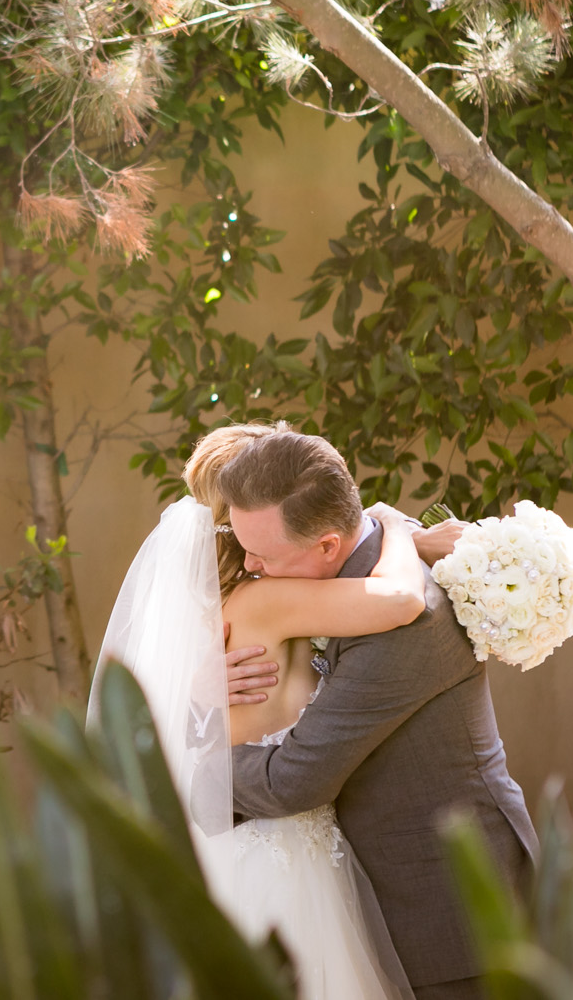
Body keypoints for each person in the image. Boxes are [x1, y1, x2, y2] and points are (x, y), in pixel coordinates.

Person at [95, 424, 445, 1000]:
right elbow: (401, 598)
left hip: (234, 838)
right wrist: (402, 533)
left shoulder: (222, 608)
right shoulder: (269, 599)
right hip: (281, 844)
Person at [221, 427, 538, 1000]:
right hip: (392, 894)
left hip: (452, 909)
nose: (249, 565)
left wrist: (192, 765)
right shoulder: (354, 581)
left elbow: (295, 781)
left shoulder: (405, 627)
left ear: (326, 546)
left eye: (262, 555)